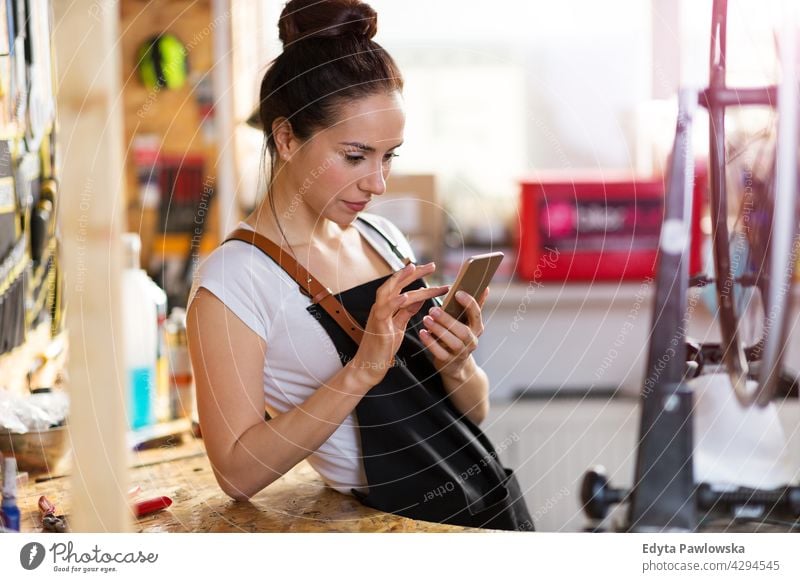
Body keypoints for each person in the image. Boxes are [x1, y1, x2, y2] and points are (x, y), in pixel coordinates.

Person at [186, 0, 533, 531]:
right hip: (399, 531)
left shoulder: (382, 237)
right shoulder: (235, 280)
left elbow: (474, 413)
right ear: (285, 139)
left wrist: (457, 363)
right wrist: (363, 370)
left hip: (491, 507)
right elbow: (236, 472)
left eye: (389, 155)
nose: (378, 182)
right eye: (355, 156)